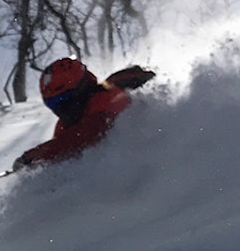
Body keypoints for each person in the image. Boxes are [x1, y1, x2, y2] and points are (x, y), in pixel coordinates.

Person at [12, 57, 155, 170]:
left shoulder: (105, 97)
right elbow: (62, 156)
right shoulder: (65, 125)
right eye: (52, 103)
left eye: (62, 100)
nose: (59, 109)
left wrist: (36, 155)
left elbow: (86, 133)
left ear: (80, 90)